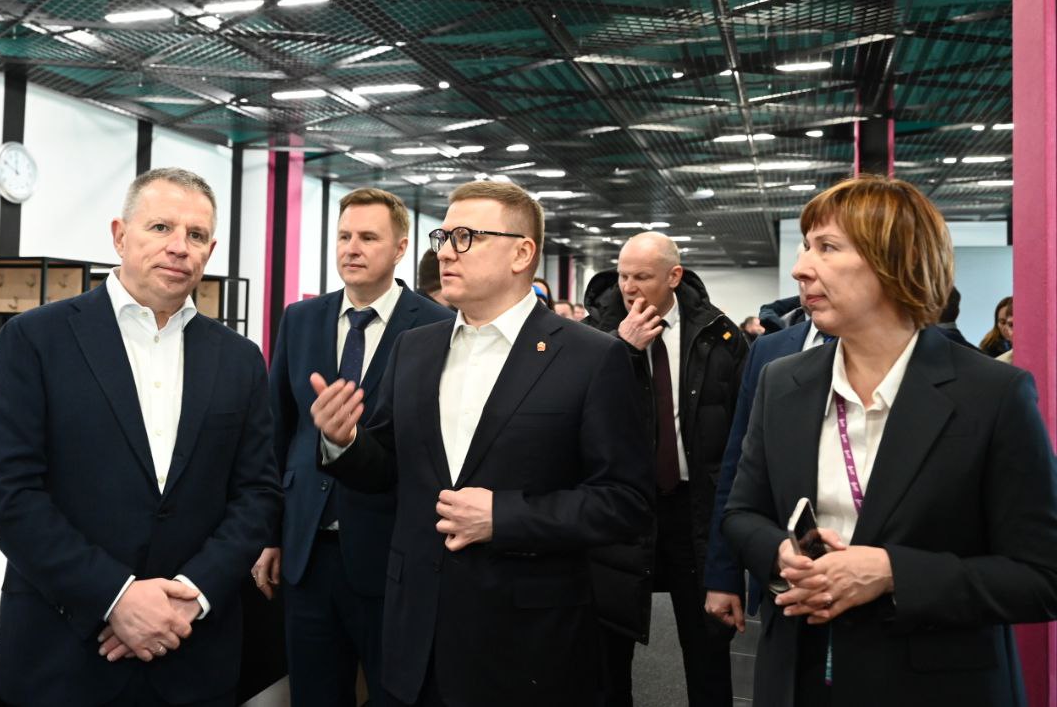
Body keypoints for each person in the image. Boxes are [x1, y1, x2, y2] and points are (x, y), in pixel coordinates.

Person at [310, 181, 653, 706]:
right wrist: (344, 441)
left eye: (466, 237)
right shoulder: (414, 348)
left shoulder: (591, 357)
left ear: (522, 253)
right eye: (443, 236)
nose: (445, 252)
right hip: (414, 634)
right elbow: (388, 468)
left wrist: (504, 516)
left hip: (525, 646)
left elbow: (625, 503)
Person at [724, 176, 1057, 706]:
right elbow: (743, 513)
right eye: (806, 246)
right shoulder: (782, 381)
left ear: (894, 262)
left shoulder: (992, 394)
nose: (800, 268)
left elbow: (1040, 576)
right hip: (799, 676)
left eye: (827, 247)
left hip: (935, 686)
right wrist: (782, 555)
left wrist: (892, 573)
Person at [0, 168, 281, 707]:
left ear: (210, 251)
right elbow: (9, 495)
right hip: (64, 657)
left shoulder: (239, 358)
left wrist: (190, 597)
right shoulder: (37, 339)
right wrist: (115, 597)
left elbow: (257, 494)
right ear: (120, 236)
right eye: (161, 227)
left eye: (195, 235)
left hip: (193, 657)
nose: (178, 246)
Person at [255, 188, 451, 707]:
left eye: (367, 237)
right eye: (343, 236)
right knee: (314, 693)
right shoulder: (301, 318)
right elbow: (278, 431)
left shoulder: (436, 326)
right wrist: (269, 533)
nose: (351, 248)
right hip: (306, 549)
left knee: (395, 693)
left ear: (400, 247)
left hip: (390, 552)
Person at [600, 232, 748, 707]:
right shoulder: (595, 332)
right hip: (622, 510)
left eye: (642, 276)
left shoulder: (719, 335)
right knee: (608, 651)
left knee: (707, 646)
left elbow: (742, 431)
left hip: (693, 508)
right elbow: (576, 409)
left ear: (674, 276)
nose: (628, 287)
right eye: (623, 275)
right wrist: (622, 349)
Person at [703, 298, 832, 630]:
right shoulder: (770, 350)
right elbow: (736, 467)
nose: (801, 273)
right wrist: (724, 573)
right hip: (782, 574)